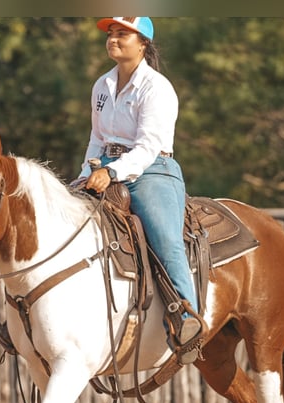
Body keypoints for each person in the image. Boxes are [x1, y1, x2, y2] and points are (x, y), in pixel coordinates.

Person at [72, 17, 205, 364]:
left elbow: (147, 148)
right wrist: (89, 172)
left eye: (122, 33)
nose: (113, 39)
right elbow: (96, 139)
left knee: (165, 236)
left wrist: (112, 173)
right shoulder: (102, 85)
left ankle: (186, 317)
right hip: (105, 168)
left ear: (143, 42)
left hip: (152, 170)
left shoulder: (157, 88)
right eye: (111, 34)